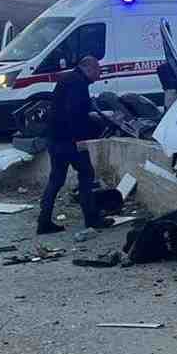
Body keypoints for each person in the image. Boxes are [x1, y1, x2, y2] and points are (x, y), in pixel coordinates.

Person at [37, 56, 113, 234]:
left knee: (56, 180)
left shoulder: (68, 79)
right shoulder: (78, 83)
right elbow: (74, 113)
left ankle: (44, 221)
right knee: (87, 174)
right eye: (98, 71)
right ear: (89, 68)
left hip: (55, 138)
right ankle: (91, 218)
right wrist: (80, 139)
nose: (99, 75)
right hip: (69, 140)